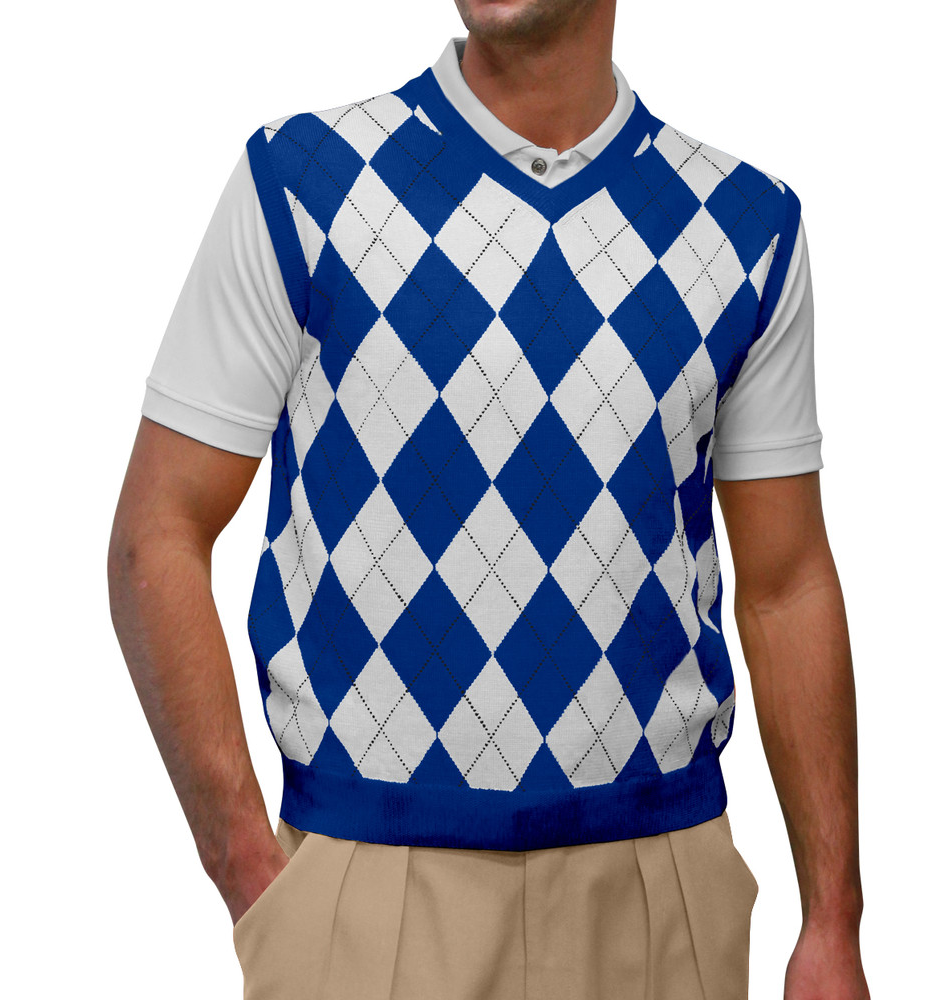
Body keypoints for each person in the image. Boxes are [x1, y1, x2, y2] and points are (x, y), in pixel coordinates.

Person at [108, 1, 870, 997]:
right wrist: (253, 873)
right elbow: (157, 532)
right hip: (367, 875)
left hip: (658, 884)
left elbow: (787, 584)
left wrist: (833, 919)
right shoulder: (304, 182)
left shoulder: (742, 226)